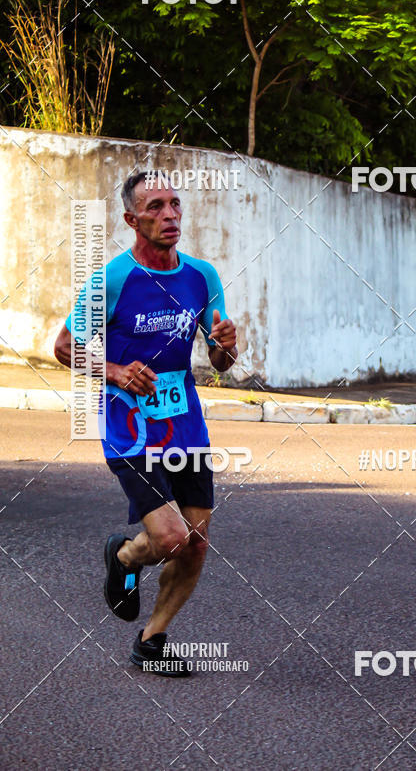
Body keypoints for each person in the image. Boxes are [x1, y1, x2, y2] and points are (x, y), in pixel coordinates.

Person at [54, 171, 237, 676]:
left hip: (185, 426)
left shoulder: (202, 276)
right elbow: (65, 346)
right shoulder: (113, 279)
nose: (170, 215)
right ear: (132, 219)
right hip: (129, 428)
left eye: (175, 204)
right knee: (172, 538)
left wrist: (226, 344)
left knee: (196, 544)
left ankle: (152, 640)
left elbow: (221, 362)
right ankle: (126, 558)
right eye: (155, 207)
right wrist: (114, 370)